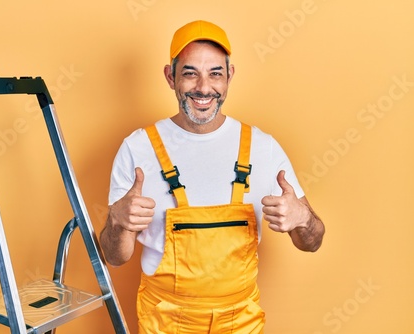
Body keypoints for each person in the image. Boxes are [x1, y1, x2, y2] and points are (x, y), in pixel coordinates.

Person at [100, 20, 325, 333]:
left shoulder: (263, 148)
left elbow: (312, 242)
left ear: (229, 76)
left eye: (215, 73)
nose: (203, 87)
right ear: (171, 77)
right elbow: (114, 256)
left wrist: (303, 218)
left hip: (241, 324)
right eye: (190, 73)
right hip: (164, 324)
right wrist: (117, 221)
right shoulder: (137, 149)